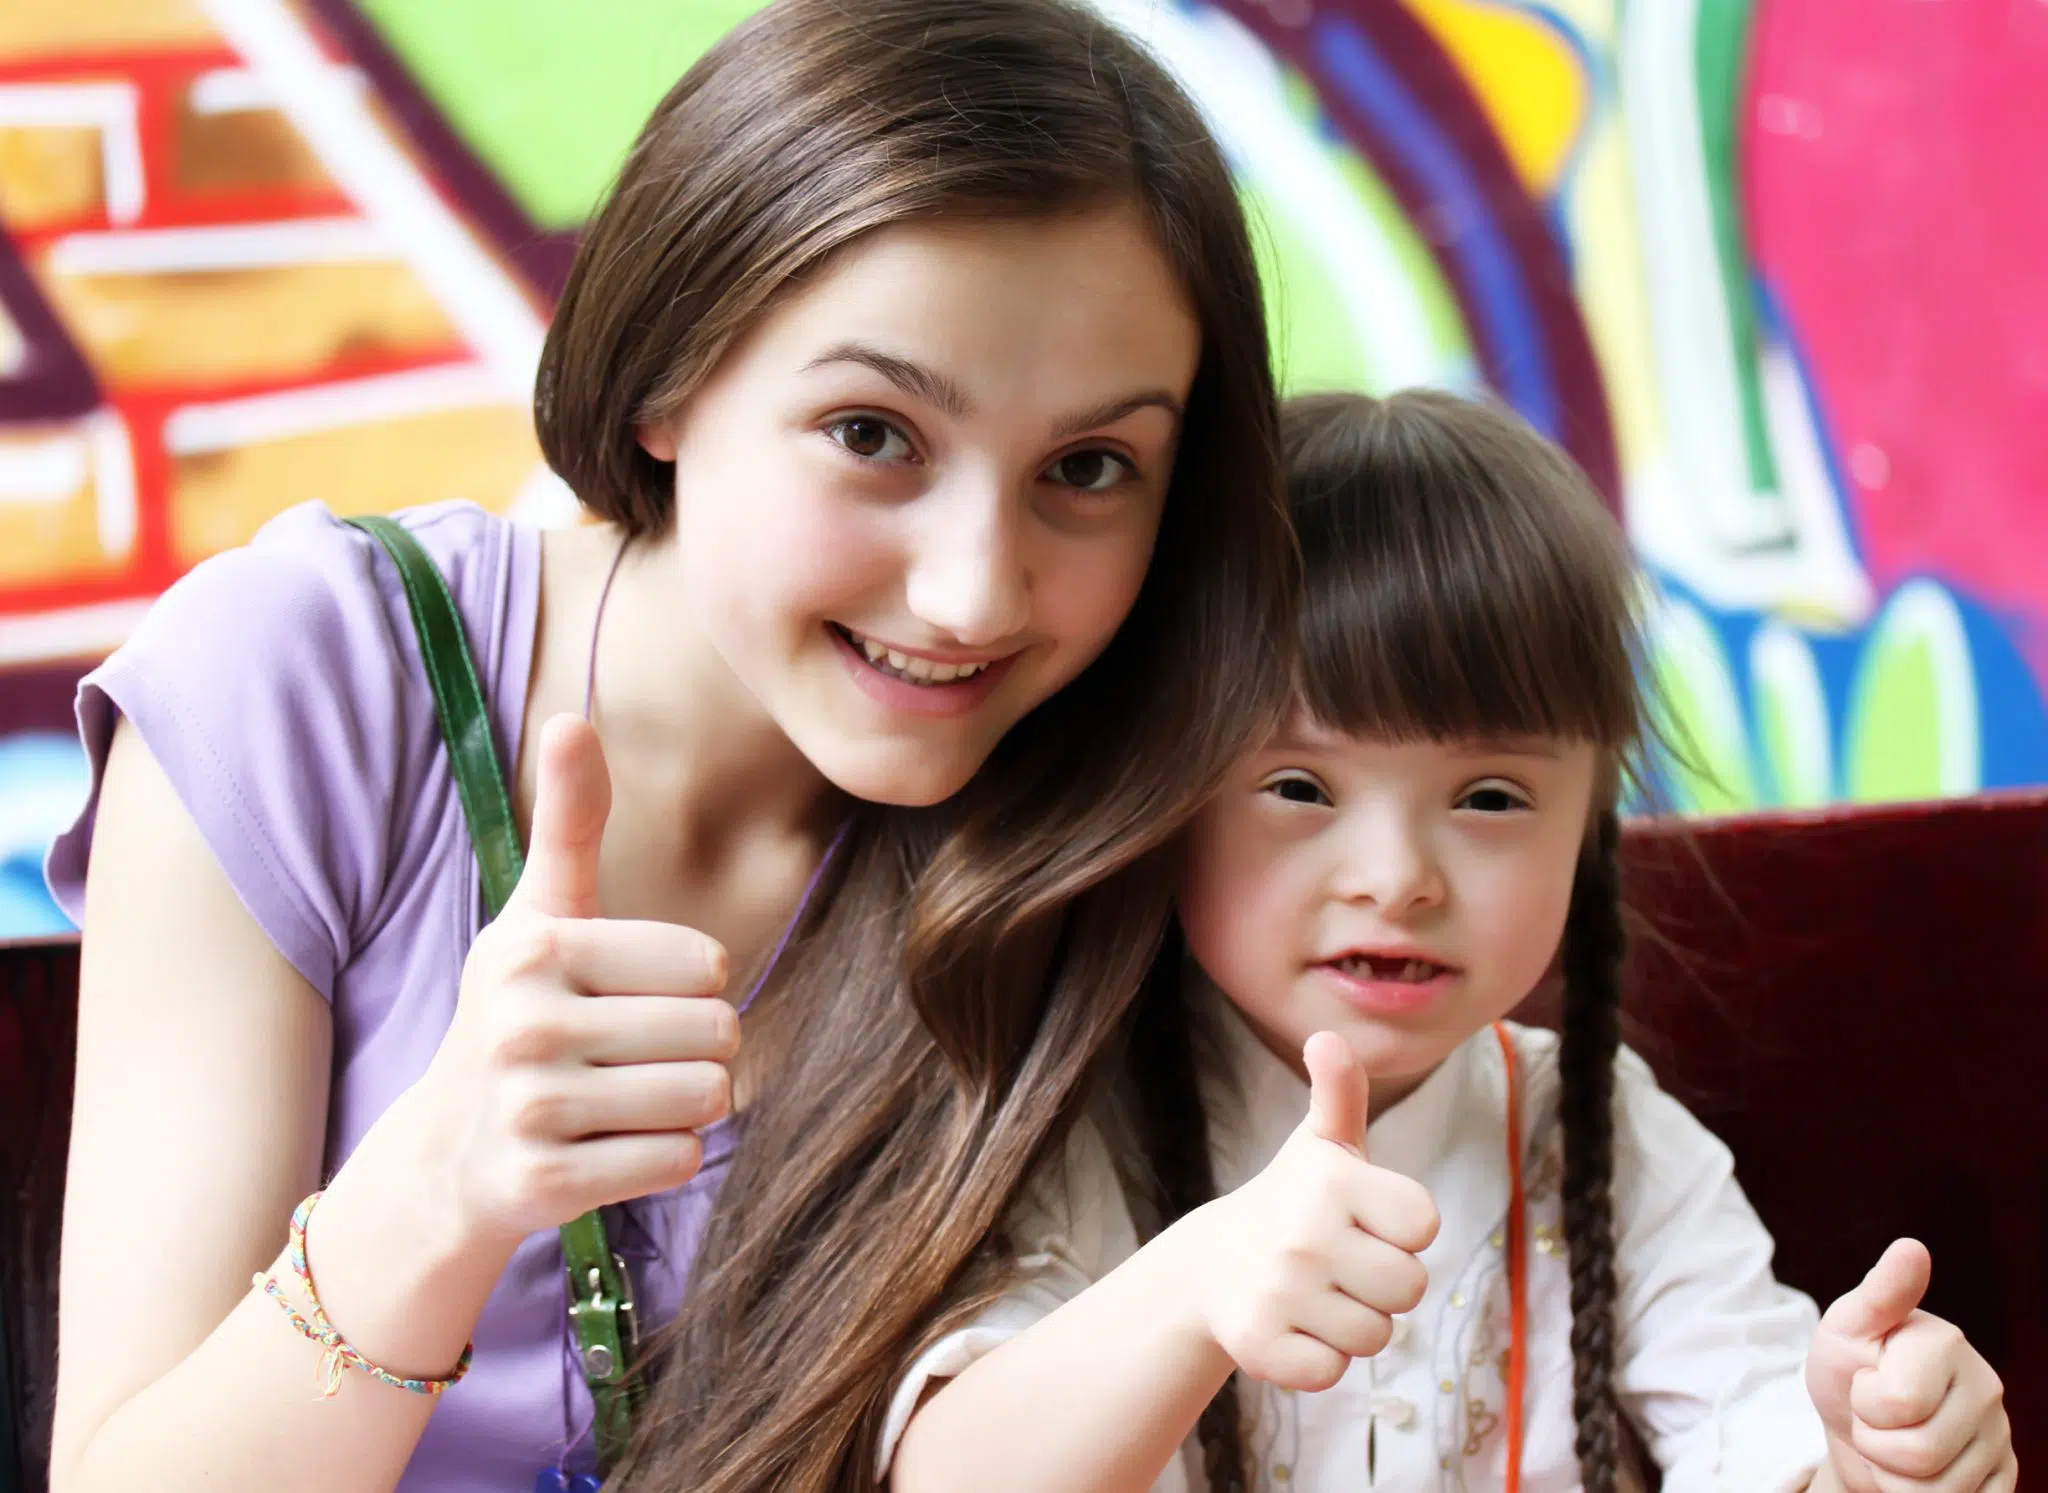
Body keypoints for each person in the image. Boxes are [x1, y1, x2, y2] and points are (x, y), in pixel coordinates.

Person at [41, 3, 1292, 1489]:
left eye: (1088, 469)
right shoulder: (304, 686)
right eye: (875, 434)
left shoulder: (1101, 815)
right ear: (664, 383)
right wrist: (435, 1192)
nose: (974, 589)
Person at [884, 391, 2016, 1493]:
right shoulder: (1062, 1115)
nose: (1396, 877)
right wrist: (1194, 1283)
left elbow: (1758, 1438)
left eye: (1485, 796)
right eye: (1296, 784)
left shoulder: (1600, 1130)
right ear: (1165, 795)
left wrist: (1870, 1458)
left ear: (1587, 830)